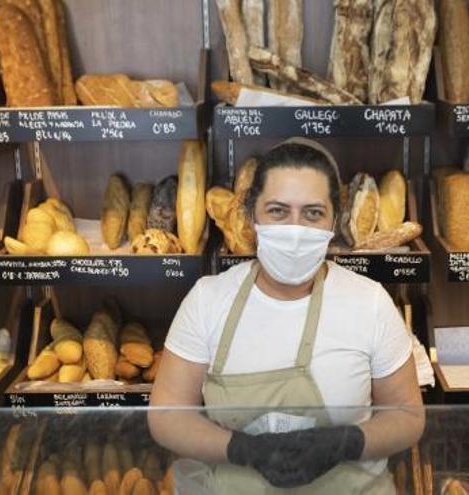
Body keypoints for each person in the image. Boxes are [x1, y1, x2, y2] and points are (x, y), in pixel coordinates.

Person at [149, 139, 430, 494]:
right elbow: (166, 416)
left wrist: (346, 443)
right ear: (252, 214)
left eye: (313, 213)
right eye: (278, 211)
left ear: (334, 221)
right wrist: (241, 449)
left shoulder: (369, 302)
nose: (295, 229)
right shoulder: (209, 300)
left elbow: (408, 416)